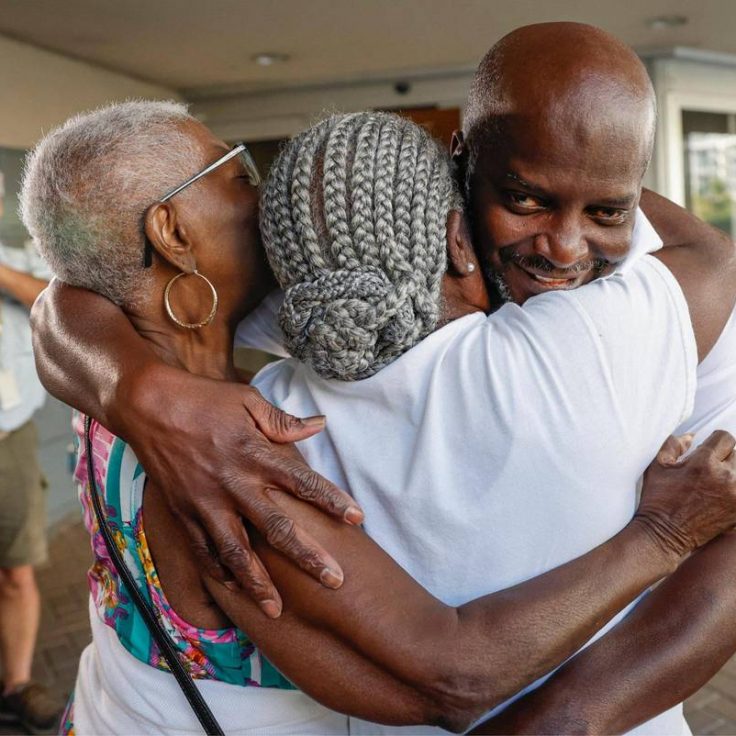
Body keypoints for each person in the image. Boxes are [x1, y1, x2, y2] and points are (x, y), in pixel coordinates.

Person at [29, 24, 736, 733]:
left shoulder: (253, 365)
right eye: (243, 175)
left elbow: (71, 297)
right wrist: (663, 534)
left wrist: (136, 389)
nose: (565, 246)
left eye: (607, 209)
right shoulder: (238, 449)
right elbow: (450, 681)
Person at [0, 171, 64, 733]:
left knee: (16, 571)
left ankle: (17, 684)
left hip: (8, 441)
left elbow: (53, 303)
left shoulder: (16, 257)